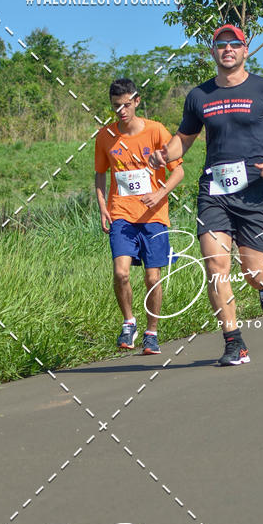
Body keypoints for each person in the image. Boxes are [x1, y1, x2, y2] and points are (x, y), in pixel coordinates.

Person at [150, 24, 263, 365]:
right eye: (220, 44)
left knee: (254, 272)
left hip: (254, 190)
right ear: (212, 52)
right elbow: (184, 138)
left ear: (245, 50)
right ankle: (234, 342)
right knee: (216, 266)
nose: (227, 49)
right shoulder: (200, 96)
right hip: (213, 191)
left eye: (234, 44)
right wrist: (164, 154)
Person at [95, 78, 184, 353]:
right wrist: (102, 207)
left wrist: (160, 194)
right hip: (121, 214)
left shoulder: (156, 131)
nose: (121, 111)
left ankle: (152, 332)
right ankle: (129, 322)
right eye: (115, 107)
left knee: (152, 278)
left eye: (125, 105)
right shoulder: (105, 136)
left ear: (136, 101)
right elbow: (100, 174)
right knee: (121, 273)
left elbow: (178, 171)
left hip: (154, 216)